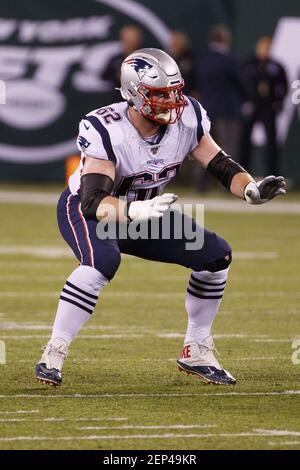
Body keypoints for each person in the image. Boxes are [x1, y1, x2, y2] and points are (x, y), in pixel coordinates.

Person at [35, 48, 286, 387]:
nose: (172, 101)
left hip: (146, 212)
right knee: (102, 262)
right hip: (89, 209)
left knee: (216, 257)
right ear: (133, 93)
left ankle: (196, 348)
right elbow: (93, 201)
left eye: (175, 91)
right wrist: (133, 210)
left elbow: (221, 164)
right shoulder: (107, 128)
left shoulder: (187, 117)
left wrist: (251, 190)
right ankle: (55, 349)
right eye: (160, 94)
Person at [196, 25, 247, 158]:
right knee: (228, 150)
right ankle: (229, 179)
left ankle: (199, 179)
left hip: (205, 111)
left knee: (204, 149)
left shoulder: (202, 60)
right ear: (225, 39)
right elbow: (244, 85)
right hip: (228, 112)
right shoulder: (230, 60)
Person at [240, 36, 288, 175]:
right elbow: (242, 84)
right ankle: (241, 173)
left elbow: (283, 86)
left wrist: (278, 101)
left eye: (268, 47)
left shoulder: (276, 66)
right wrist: (245, 101)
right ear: (257, 47)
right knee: (245, 141)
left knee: (271, 143)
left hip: (268, 107)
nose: (265, 50)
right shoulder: (248, 64)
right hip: (252, 107)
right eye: (263, 47)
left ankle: (273, 174)